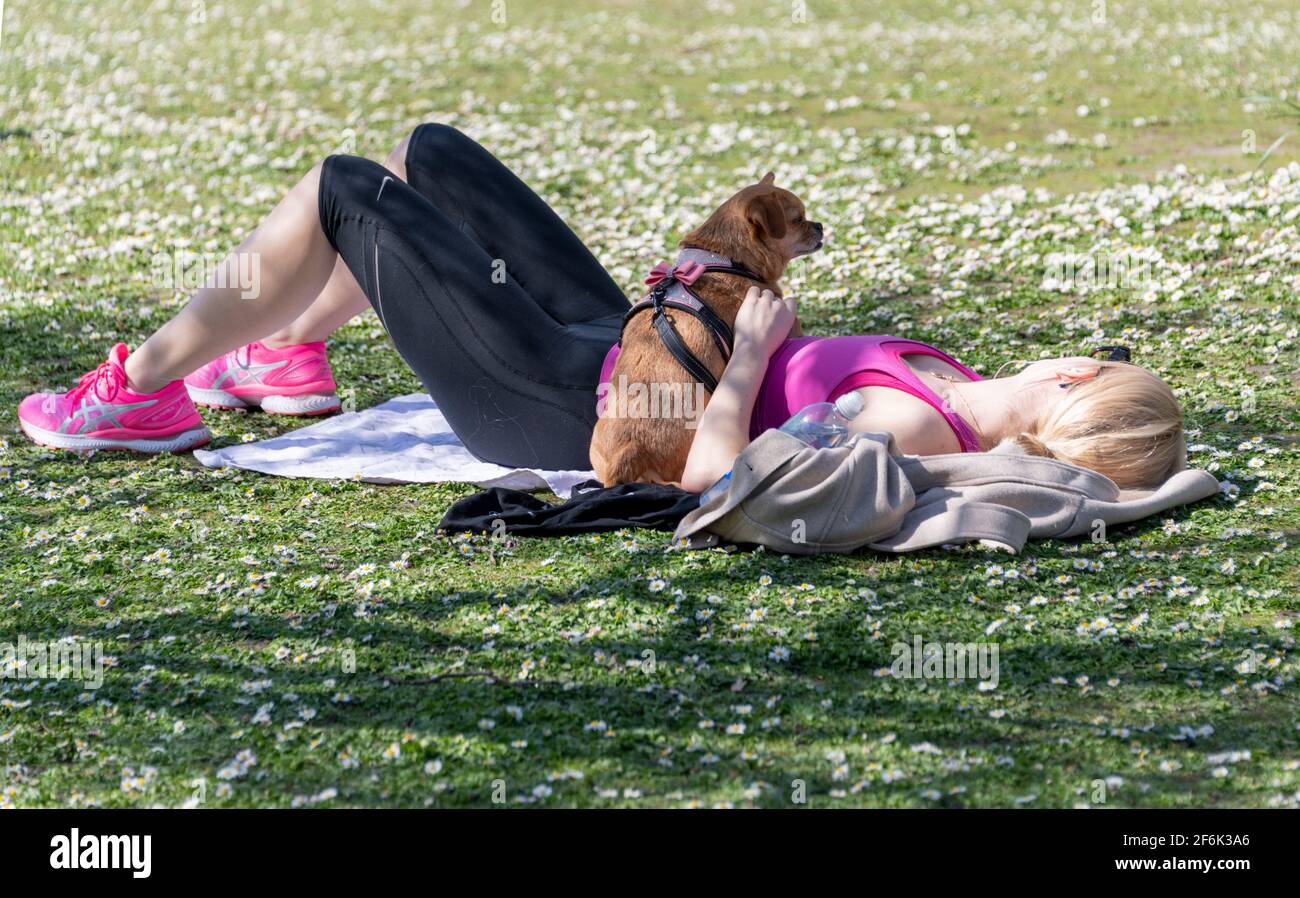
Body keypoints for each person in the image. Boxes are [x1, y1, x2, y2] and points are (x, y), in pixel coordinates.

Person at [16, 124, 1188, 491]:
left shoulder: (917, 429)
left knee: (343, 190)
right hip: (624, 343)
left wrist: (750, 358)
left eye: (1093, 356)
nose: (1082, 346)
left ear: (1076, 380)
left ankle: (144, 388)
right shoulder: (944, 377)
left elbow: (716, 482)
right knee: (434, 157)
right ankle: (284, 360)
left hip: (557, 397)